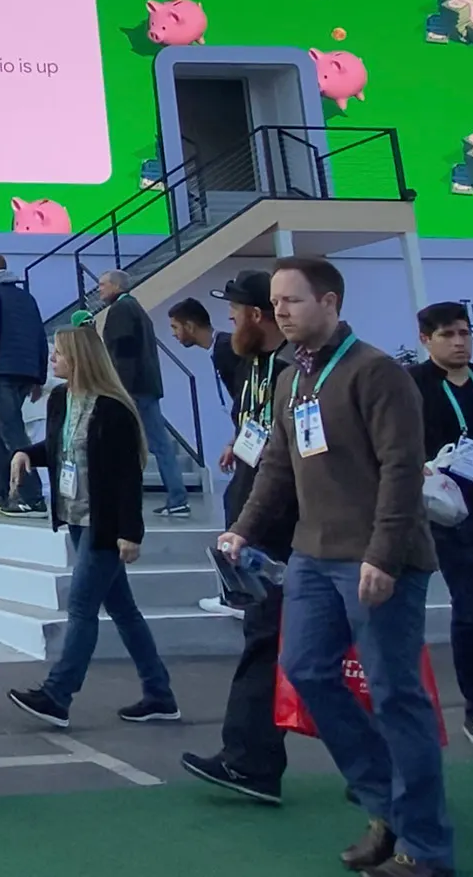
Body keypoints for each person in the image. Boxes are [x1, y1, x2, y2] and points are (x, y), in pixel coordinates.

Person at [218, 257, 450, 877]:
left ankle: (424, 846)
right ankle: (385, 807)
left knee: (396, 694)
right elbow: (276, 465)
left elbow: (404, 469)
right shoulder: (294, 380)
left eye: (292, 300)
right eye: (275, 302)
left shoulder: (376, 373)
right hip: (313, 556)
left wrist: (384, 552)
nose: (280, 312)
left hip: (378, 559)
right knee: (305, 672)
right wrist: (242, 529)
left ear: (329, 302)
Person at [6, 325, 177, 729]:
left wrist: (130, 531)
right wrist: (26, 454)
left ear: (79, 358)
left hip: (104, 521)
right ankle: (160, 693)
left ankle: (58, 694)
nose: (53, 361)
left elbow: (125, 476)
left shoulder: (113, 408)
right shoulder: (62, 399)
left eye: (59, 354)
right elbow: (59, 446)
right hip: (76, 517)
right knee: (123, 609)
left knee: (82, 605)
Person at [181, 270, 294, 804]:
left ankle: (252, 760)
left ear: (255, 316)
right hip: (256, 523)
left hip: (284, 531)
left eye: (232, 315)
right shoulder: (254, 364)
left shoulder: (297, 368)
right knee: (269, 645)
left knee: (277, 647)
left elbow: (294, 455)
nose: (227, 326)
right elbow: (258, 430)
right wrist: (237, 443)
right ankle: (252, 759)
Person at [410, 301, 473, 753]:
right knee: (471, 614)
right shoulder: (412, 387)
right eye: (448, 335)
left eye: (465, 333)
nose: (459, 342)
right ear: (426, 340)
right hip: (451, 521)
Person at [97, 270, 187, 518]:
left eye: (102, 285)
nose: (99, 289)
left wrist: (119, 390)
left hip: (133, 389)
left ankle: (121, 498)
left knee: (124, 445)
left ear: (116, 286)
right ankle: (177, 497)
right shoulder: (135, 309)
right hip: (146, 386)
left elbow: (124, 352)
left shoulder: (121, 311)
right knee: (159, 444)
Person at [0, 256, 46, 515]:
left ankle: (32, 496)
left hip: (1, 370)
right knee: (2, 430)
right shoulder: (26, 297)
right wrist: (40, 376)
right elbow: (39, 335)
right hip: (26, 371)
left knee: (12, 431)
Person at [167, 297, 234, 409]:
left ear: (190, 327)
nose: (173, 334)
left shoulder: (226, 349)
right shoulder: (219, 347)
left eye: (175, 327)